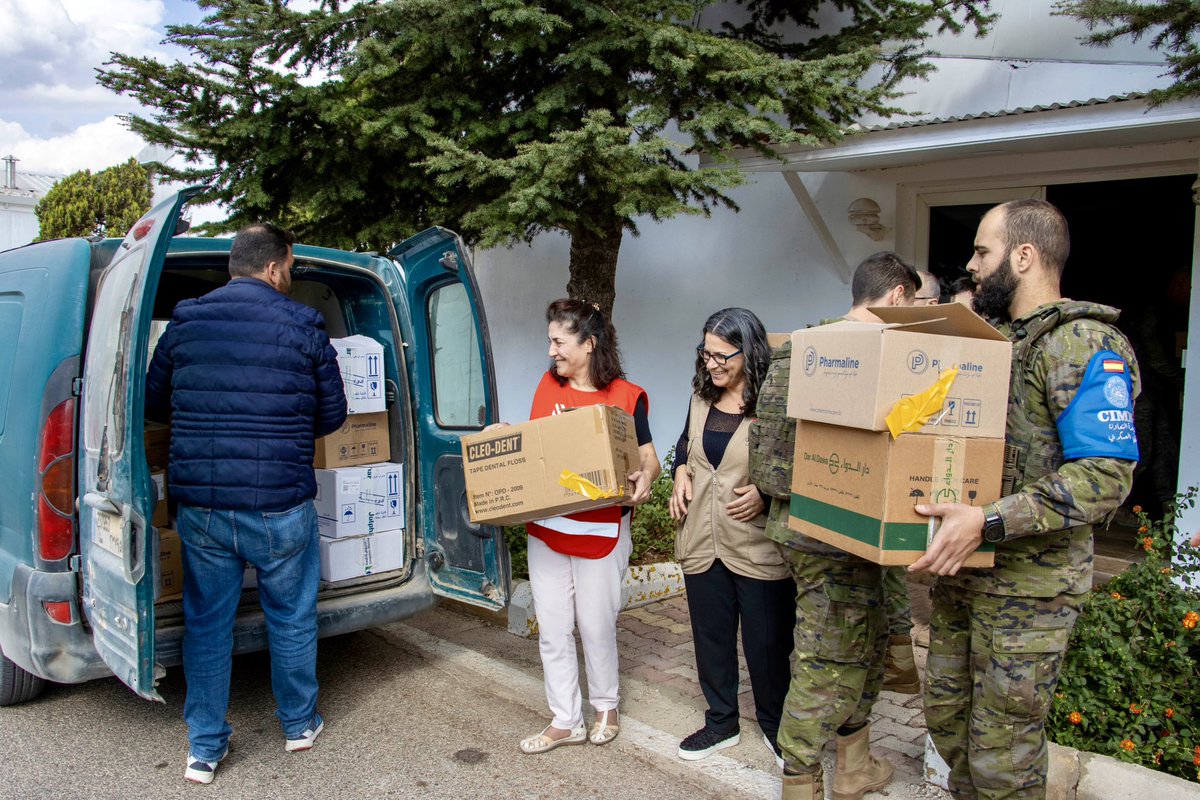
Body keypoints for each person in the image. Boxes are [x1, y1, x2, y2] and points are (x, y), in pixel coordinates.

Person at [911, 199, 1140, 799]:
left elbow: (1105, 477)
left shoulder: (1083, 343)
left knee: (1002, 756)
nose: (972, 264)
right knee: (948, 723)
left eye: (982, 251)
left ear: (1024, 255)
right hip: (967, 576)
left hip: (1029, 592)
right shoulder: (993, 343)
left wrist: (988, 521)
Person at [144, 223, 347, 784]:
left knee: (207, 623)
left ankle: (205, 749)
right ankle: (299, 724)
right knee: (290, 614)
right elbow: (333, 416)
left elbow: (154, 400)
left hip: (204, 509)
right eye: (291, 267)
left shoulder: (185, 320)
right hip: (281, 504)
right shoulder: (304, 323)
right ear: (277, 265)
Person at [749, 251, 919, 800]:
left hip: (809, 528)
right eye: (911, 302)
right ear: (896, 295)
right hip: (842, 535)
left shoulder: (800, 346)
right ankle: (799, 780)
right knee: (826, 656)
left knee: (863, 646)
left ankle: (854, 768)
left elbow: (768, 459)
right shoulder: (891, 355)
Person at [516, 299, 660, 754]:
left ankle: (606, 706)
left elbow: (648, 456)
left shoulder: (626, 396)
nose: (552, 350)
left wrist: (647, 477)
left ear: (589, 343)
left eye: (559, 341)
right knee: (555, 628)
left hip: (602, 529)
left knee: (595, 624)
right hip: (549, 529)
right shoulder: (547, 385)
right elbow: (536, 446)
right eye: (550, 341)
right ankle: (565, 720)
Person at [669, 308, 795, 766]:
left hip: (756, 543)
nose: (713, 364)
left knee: (767, 645)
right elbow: (685, 443)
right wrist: (680, 470)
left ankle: (775, 725)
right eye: (706, 353)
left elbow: (799, 464)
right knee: (712, 637)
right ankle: (721, 721)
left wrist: (766, 493)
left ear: (750, 351)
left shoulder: (775, 403)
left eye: (723, 355)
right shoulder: (701, 396)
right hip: (702, 536)